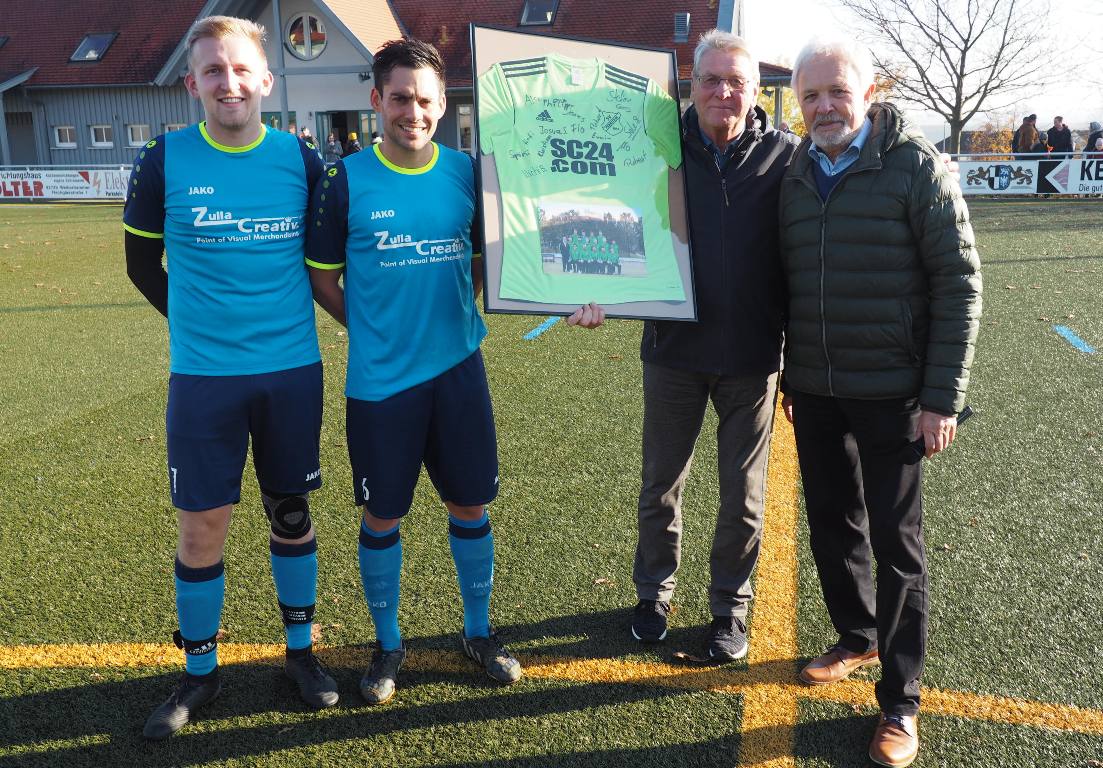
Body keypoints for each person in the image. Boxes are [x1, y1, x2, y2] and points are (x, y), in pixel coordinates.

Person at [122, 15, 338, 740]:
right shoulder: (164, 160)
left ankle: (301, 656)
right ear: (192, 84)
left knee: (292, 515)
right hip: (204, 379)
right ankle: (199, 673)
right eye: (213, 71)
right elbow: (140, 264)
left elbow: (328, 258)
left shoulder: (298, 159)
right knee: (201, 526)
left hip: (290, 373)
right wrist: (194, 328)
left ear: (266, 80)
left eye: (241, 69)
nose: (229, 82)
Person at [778, 36, 981, 768]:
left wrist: (940, 399)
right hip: (816, 388)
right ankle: (856, 637)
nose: (824, 106)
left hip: (895, 392)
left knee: (898, 550)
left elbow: (958, 284)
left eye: (837, 91)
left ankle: (900, 704)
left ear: (867, 92)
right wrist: (793, 375)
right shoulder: (795, 168)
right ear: (797, 103)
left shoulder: (913, 165)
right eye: (811, 96)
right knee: (832, 525)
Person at [569, 29, 800, 662]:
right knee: (660, 486)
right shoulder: (651, 146)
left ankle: (730, 606)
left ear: (755, 91)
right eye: (709, 79)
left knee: (744, 497)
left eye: (736, 81)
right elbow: (600, 208)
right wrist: (587, 289)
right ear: (688, 84)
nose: (722, 91)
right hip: (673, 349)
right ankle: (654, 593)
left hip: (753, 358)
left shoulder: (786, 156)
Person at [306, 37, 522, 706]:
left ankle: (478, 631)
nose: (413, 111)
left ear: (442, 104)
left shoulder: (466, 172)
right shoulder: (346, 180)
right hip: (380, 384)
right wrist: (370, 328)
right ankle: (388, 642)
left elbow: (495, 258)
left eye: (425, 99)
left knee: (470, 503)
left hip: (457, 372)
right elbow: (320, 273)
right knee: (382, 515)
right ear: (376, 100)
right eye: (399, 98)